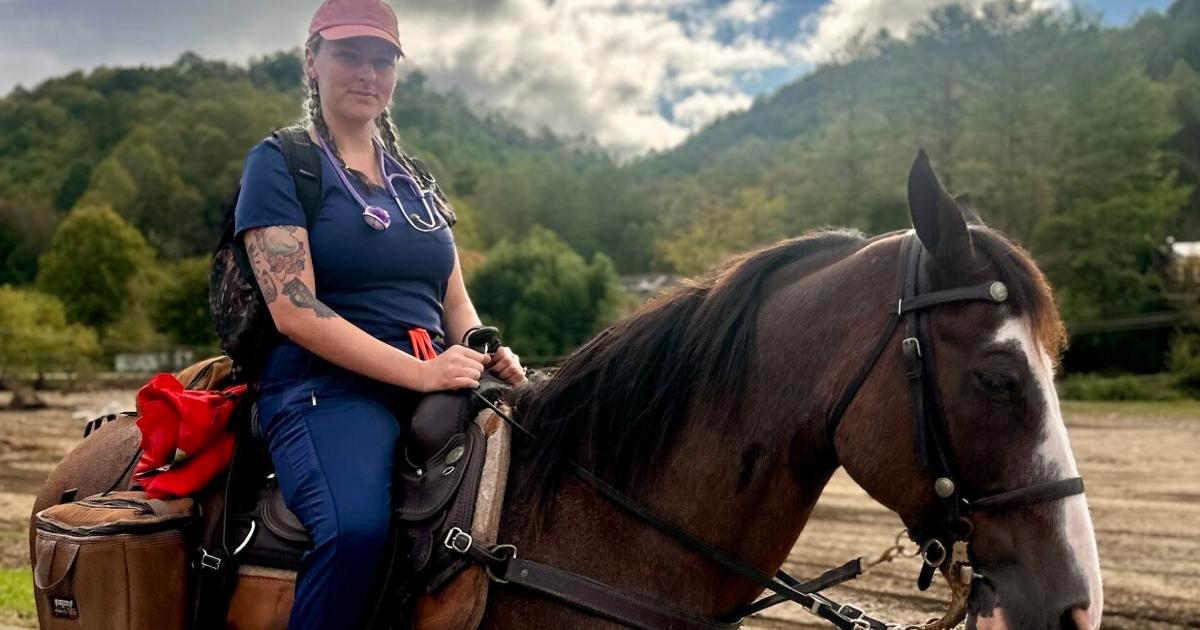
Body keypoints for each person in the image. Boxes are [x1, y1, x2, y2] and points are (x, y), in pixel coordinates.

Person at [232, 0, 526, 627]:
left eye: (382, 59)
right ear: (312, 61)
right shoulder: (283, 163)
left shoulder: (414, 180)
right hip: (323, 390)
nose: (367, 73)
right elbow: (295, 310)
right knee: (356, 530)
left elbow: (453, 299)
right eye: (349, 55)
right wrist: (419, 374)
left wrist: (481, 345)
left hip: (438, 378)